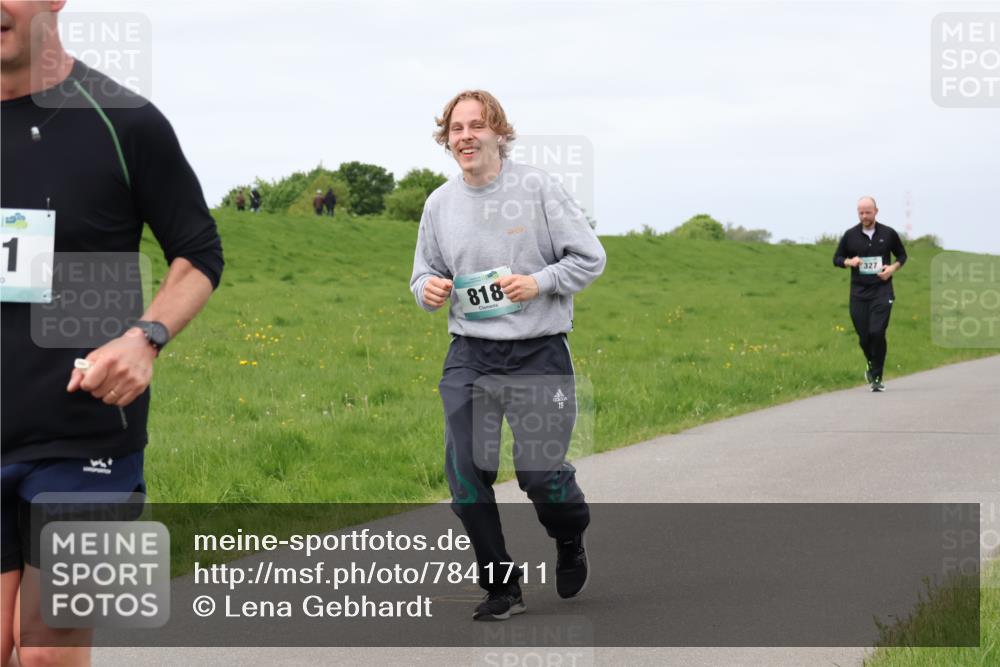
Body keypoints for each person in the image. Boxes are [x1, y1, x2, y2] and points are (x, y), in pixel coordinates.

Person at [1, 3, 223, 665]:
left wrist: (145, 335)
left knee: (43, 648)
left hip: (88, 435)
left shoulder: (123, 121)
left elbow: (198, 250)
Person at [410, 90, 606, 621]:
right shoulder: (439, 204)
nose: (466, 136)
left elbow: (590, 258)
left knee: (541, 473)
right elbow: (423, 272)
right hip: (470, 355)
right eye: (456, 128)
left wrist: (538, 283)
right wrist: (427, 289)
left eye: (477, 125)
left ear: (499, 132)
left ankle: (569, 536)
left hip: (539, 352)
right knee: (466, 475)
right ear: (446, 138)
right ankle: (502, 586)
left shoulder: (537, 187)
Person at [833, 196, 907, 391]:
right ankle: (871, 364)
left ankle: (877, 376)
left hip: (882, 290)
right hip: (858, 292)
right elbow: (837, 258)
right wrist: (849, 262)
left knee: (877, 332)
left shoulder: (888, 233)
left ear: (876, 211)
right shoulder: (850, 235)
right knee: (864, 337)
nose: (864, 216)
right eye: (861, 212)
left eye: (868, 212)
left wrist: (892, 269)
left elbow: (902, 255)